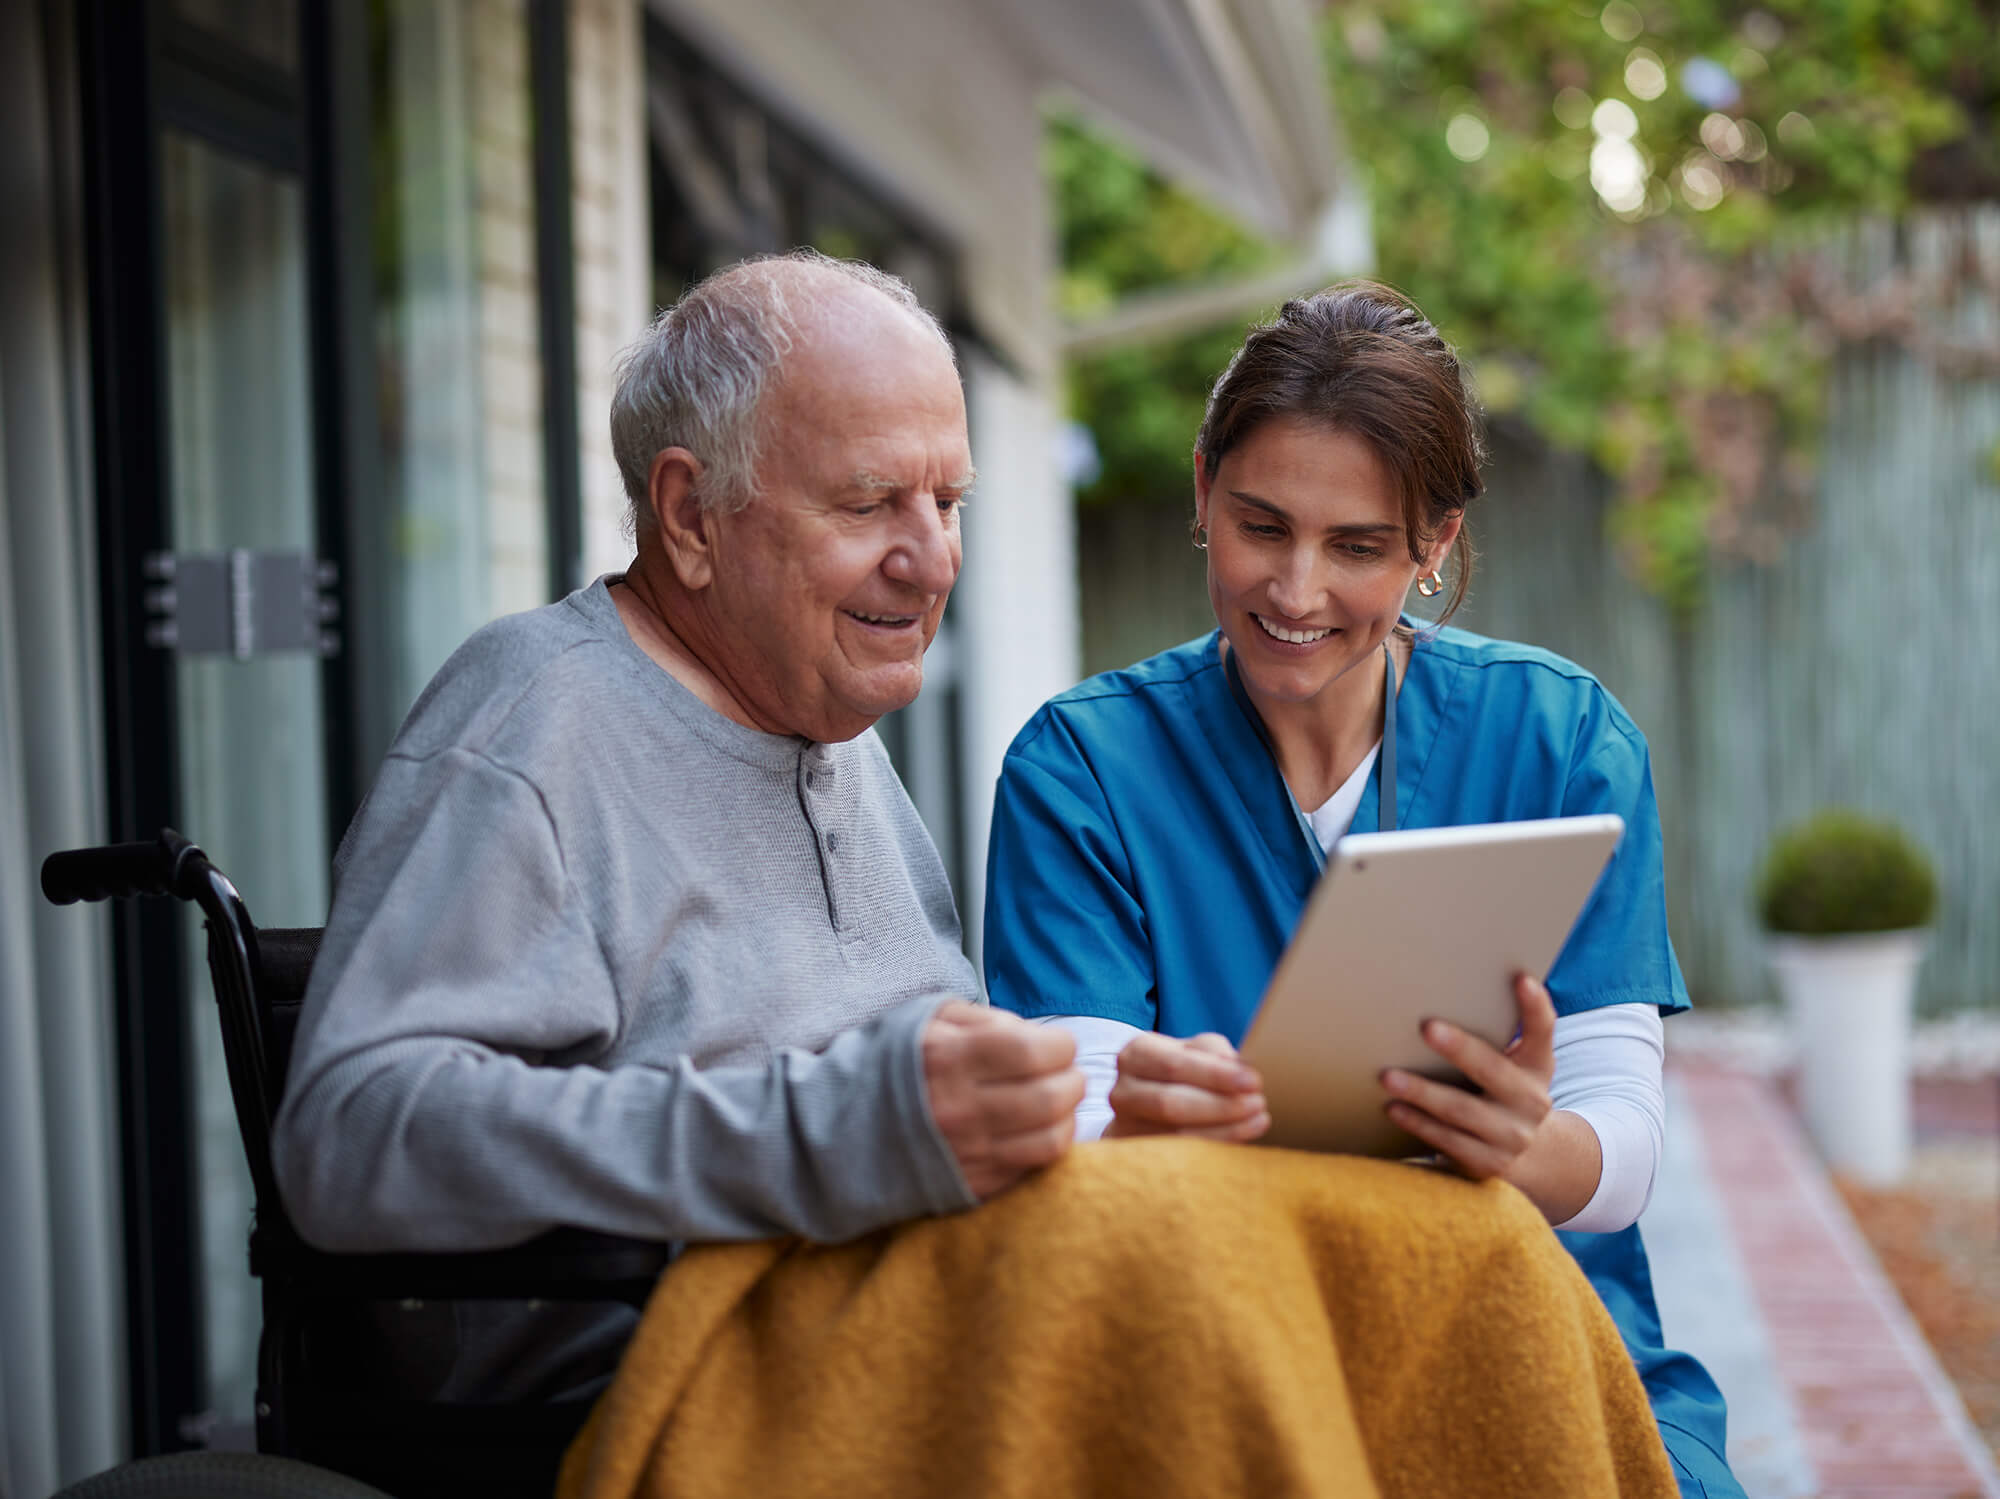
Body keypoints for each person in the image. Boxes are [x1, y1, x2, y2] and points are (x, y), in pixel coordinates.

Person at [270, 250, 1086, 1400]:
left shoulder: (822, 708)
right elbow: (351, 1137)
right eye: (867, 503)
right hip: (673, 1391)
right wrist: (819, 1135)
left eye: (946, 502)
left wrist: (1078, 1093)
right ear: (690, 516)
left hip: (906, 1319)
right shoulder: (530, 726)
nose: (931, 558)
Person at [983, 282, 1744, 1498]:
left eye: (1356, 547)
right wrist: (1128, 1121)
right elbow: (1063, 1126)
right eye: (1260, 525)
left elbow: (1623, 1150)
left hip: (1521, 1316)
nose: (1293, 591)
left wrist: (1529, 1144)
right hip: (1211, 1329)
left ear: (1431, 546)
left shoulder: (1556, 739)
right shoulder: (1082, 767)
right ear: (1199, 490)